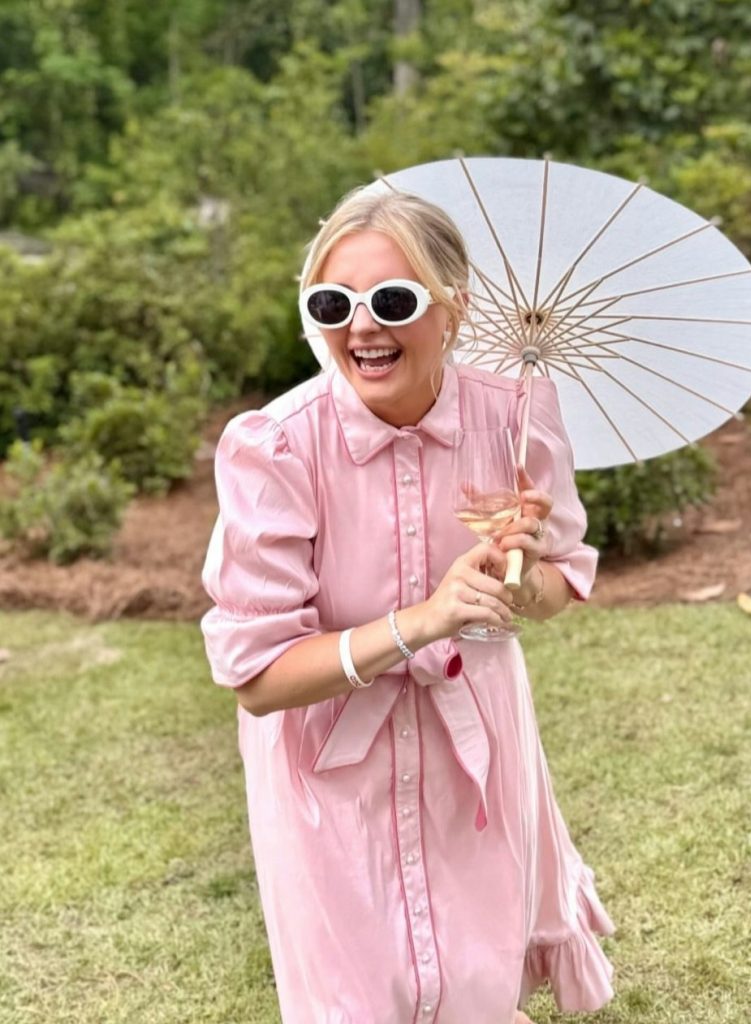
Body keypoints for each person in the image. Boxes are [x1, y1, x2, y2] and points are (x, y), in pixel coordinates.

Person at [200, 187, 615, 1024]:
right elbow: (256, 678)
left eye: (391, 301)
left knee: (471, 985)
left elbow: (554, 590)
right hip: (326, 765)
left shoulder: (517, 419)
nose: (360, 328)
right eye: (332, 303)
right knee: (357, 1002)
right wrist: (422, 619)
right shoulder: (275, 446)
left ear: (452, 309)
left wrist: (521, 571)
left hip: (476, 747)